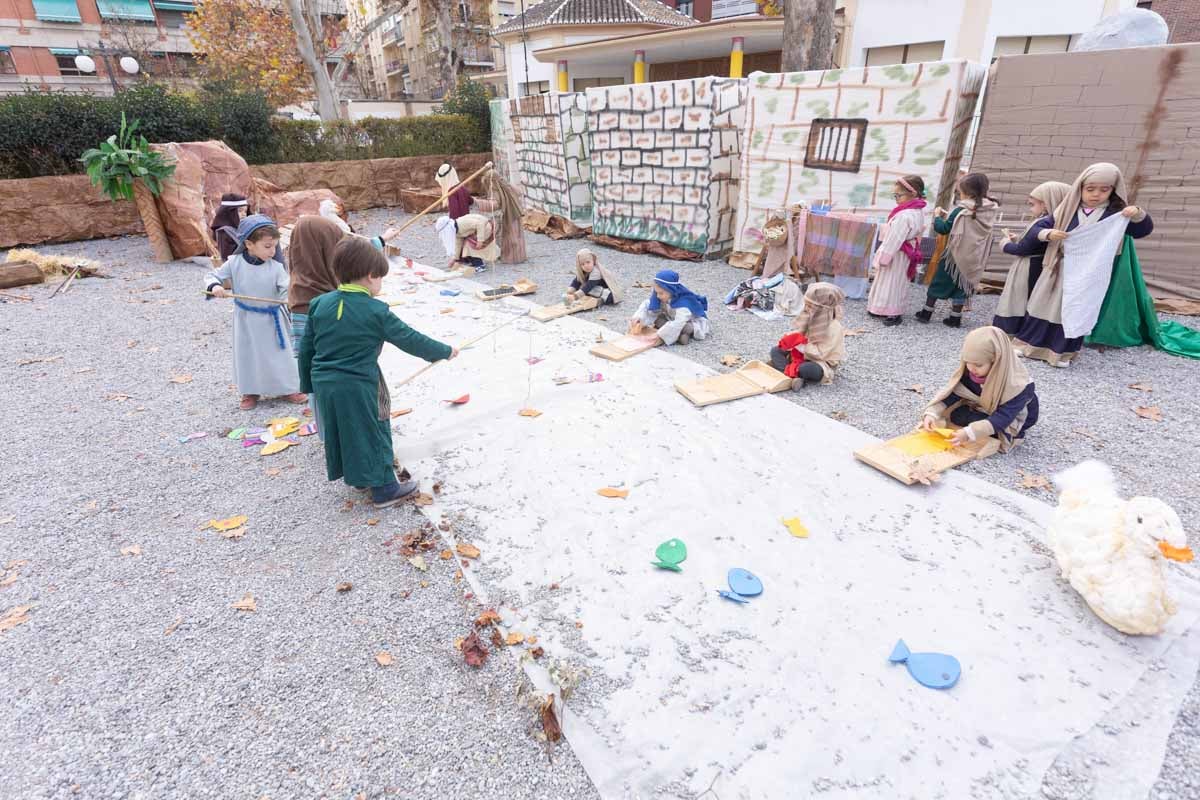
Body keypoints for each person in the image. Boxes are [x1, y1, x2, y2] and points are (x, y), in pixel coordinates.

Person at [298, 236, 458, 509]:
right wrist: (443, 351)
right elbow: (409, 338)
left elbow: (306, 348)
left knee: (344, 429)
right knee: (374, 429)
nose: (381, 284)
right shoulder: (375, 310)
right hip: (360, 383)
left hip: (325, 382)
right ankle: (384, 487)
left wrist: (308, 384)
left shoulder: (319, 304)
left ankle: (360, 477)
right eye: (381, 278)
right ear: (371, 276)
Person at [1015, 163, 1154, 366]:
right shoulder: (1068, 208)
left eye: (1104, 190)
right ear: (1080, 187)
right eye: (1090, 189)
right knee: (1043, 305)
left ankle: (1061, 352)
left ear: (1113, 190)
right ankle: (1030, 344)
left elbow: (1141, 231)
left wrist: (1138, 215)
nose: (1096, 195)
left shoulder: (1114, 214)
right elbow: (1040, 227)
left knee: (1076, 309)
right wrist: (1048, 234)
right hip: (1059, 268)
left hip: (1088, 272)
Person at [204, 214, 305, 411]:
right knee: (248, 354)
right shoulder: (234, 263)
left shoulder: (275, 267)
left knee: (280, 353)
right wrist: (215, 286)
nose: (272, 251)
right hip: (246, 319)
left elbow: (286, 288)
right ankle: (250, 390)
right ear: (249, 244)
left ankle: (289, 387)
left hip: (273, 317)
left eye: (274, 246)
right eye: (267, 246)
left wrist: (290, 297)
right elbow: (211, 275)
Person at [921, 326, 1039, 453]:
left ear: (996, 361)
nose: (972, 368)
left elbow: (1004, 417)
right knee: (957, 415)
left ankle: (994, 428)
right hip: (987, 407)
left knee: (994, 428)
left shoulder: (1019, 384)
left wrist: (970, 432)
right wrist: (932, 413)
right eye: (967, 362)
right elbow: (952, 394)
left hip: (1013, 416)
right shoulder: (971, 371)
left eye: (978, 365)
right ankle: (982, 422)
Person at [916, 172, 1000, 327]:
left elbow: (943, 228)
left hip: (954, 256)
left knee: (939, 282)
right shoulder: (990, 210)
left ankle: (926, 313)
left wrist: (937, 217)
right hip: (974, 256)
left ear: (967, 193)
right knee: (962, 286)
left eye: (959, 192)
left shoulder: (961, 210)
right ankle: (955, 318)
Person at [992, 181, 1072, 336]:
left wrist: (1005, 244)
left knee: (1019, 299)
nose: (1030, 208)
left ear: (1046, 203)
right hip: (1039, 264)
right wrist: (1019, 239)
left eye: (1033, 204)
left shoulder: (1044, 222)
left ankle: (1011, 331)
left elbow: (1022, 249)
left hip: (1029, 266)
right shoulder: (1054, 221)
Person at [867, 175, 927, 326]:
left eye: (898, 195)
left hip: (898, 253)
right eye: (895, 195)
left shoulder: (905, 215)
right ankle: (880, 308)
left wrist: (883, 257)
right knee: (894, 281)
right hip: (905, 252)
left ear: (913, 194)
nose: (896, 198)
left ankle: (893, 313)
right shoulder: (917, 211)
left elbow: (895, 239)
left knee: (892, 282)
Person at [768, 282, 846, 389]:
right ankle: (790, 374)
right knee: (775, 350)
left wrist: (802, 347)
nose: (806, 309)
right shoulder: (810, 316)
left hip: (819, 361)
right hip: (799, 355)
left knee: (807, 369)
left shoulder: (834, 327)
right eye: (807, 305)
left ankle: (790, 374)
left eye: (810, 306)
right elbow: (799, 333)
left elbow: (822, 354)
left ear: (821, 309)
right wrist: (791, 339)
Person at [629, 269, 710, 346]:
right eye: (656, 292)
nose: (658, 296)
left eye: (661, 293)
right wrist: (638, 318)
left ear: (671, 290)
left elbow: (679, 321)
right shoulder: (662, 295)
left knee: (686, 327)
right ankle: (678, 336)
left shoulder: (684, 303)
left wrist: (658, 335)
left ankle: (684, 333)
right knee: (658, 320)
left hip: (688, 321)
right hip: (672, 318)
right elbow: (647, 305)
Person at [210, 193, 248, 263]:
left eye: (245, 211)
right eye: (240, 211)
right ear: (230, 213)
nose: (244, 214)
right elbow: (228, 258)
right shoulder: (224, 232)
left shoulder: (240, 227)